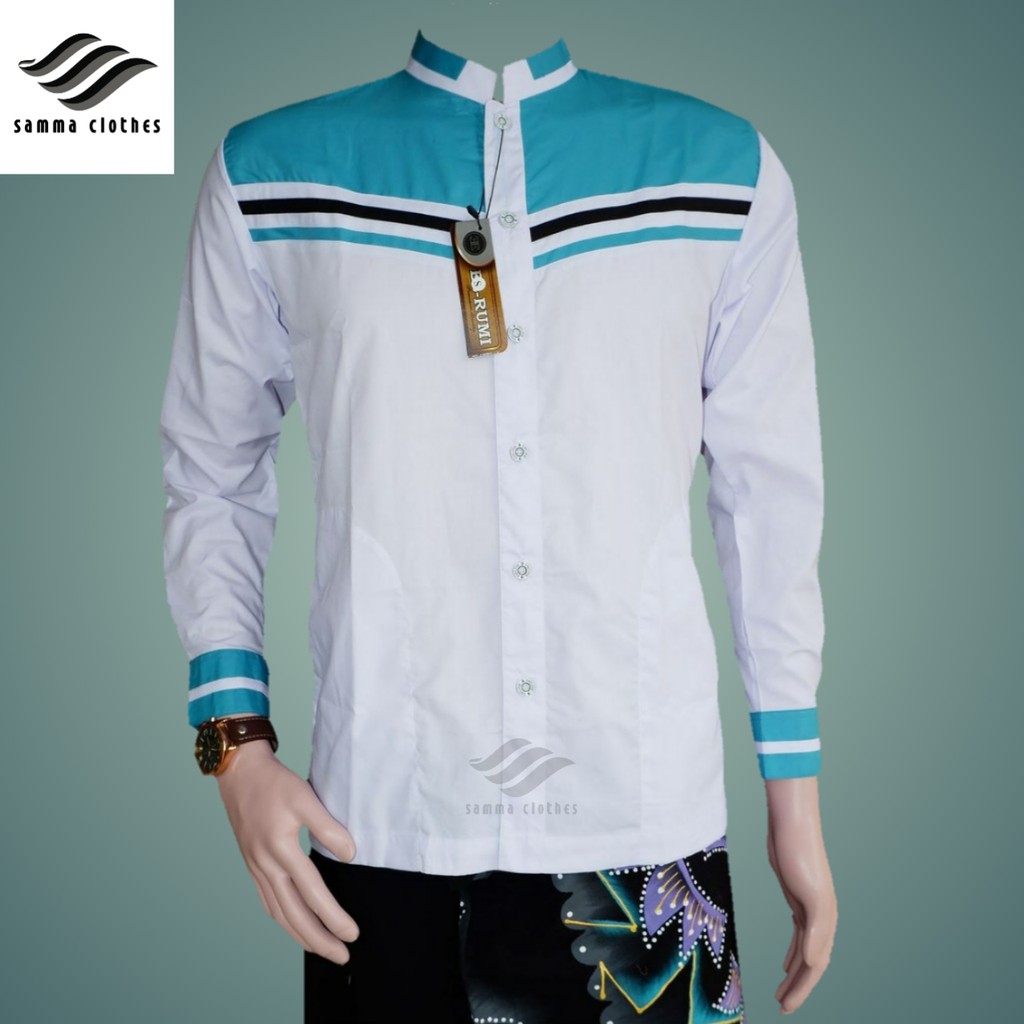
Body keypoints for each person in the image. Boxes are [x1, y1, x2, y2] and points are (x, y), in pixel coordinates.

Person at [161, 29, 837, 1022]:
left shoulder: (722, 173)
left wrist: (795, 799)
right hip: (381, 824)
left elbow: (769, 494)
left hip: (645, 828)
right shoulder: (271, 175)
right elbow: (211, 471)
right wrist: (235, 744)